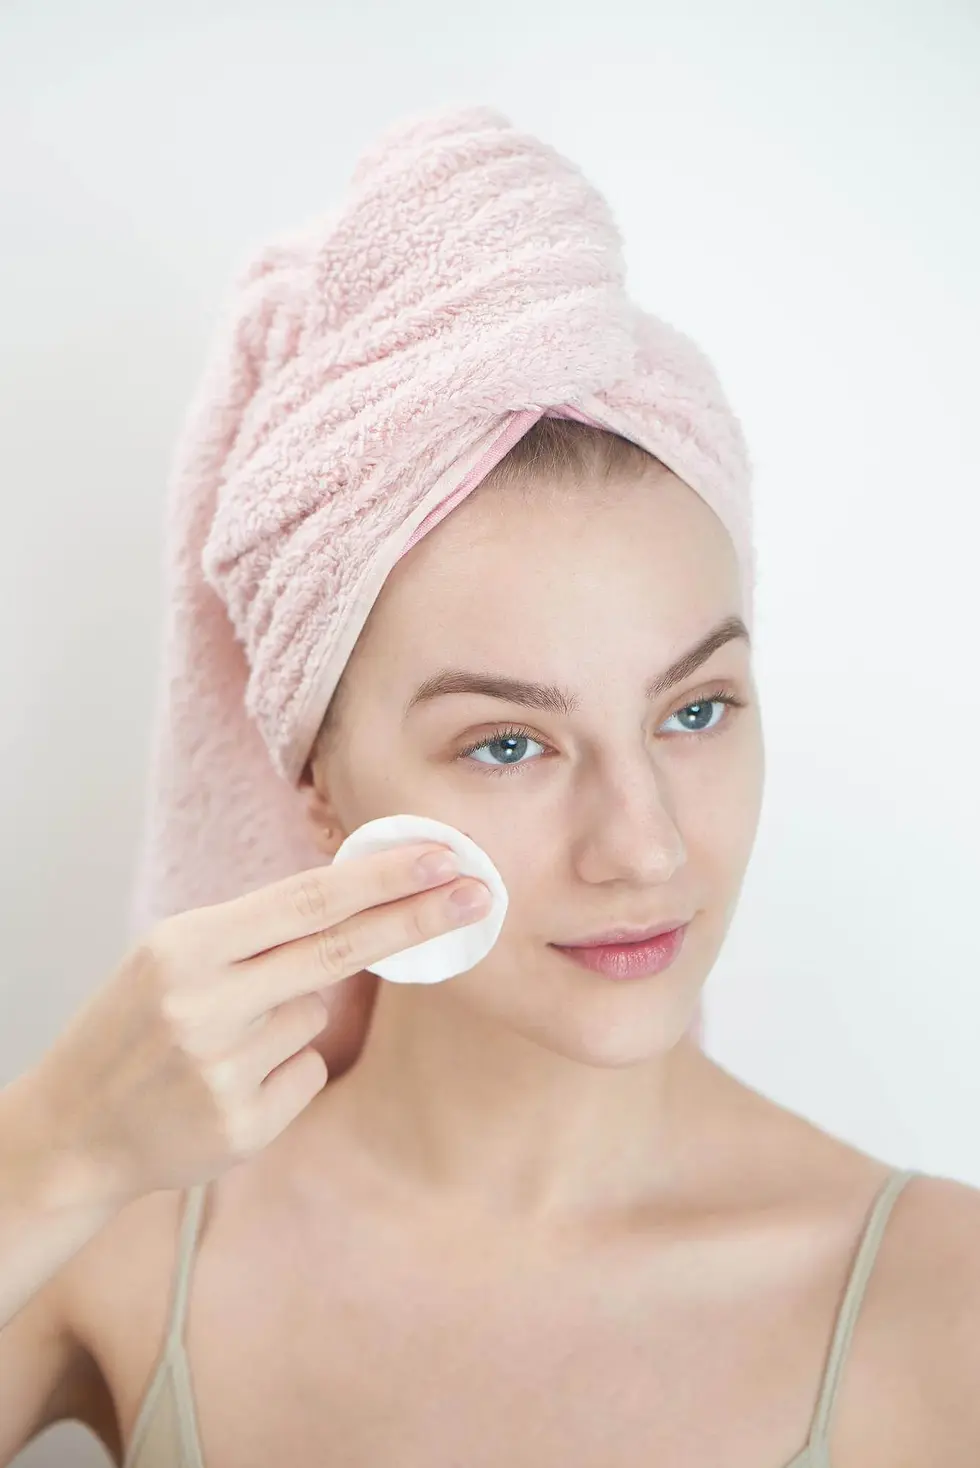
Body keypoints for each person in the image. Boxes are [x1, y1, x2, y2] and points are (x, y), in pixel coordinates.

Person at [2, 109, 979, 1468]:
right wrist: (51, 1149)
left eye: (696, 711)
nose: (643, 849)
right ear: (321, 787)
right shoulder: (112, 1240)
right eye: (509, 744)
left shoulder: (946, 1309)